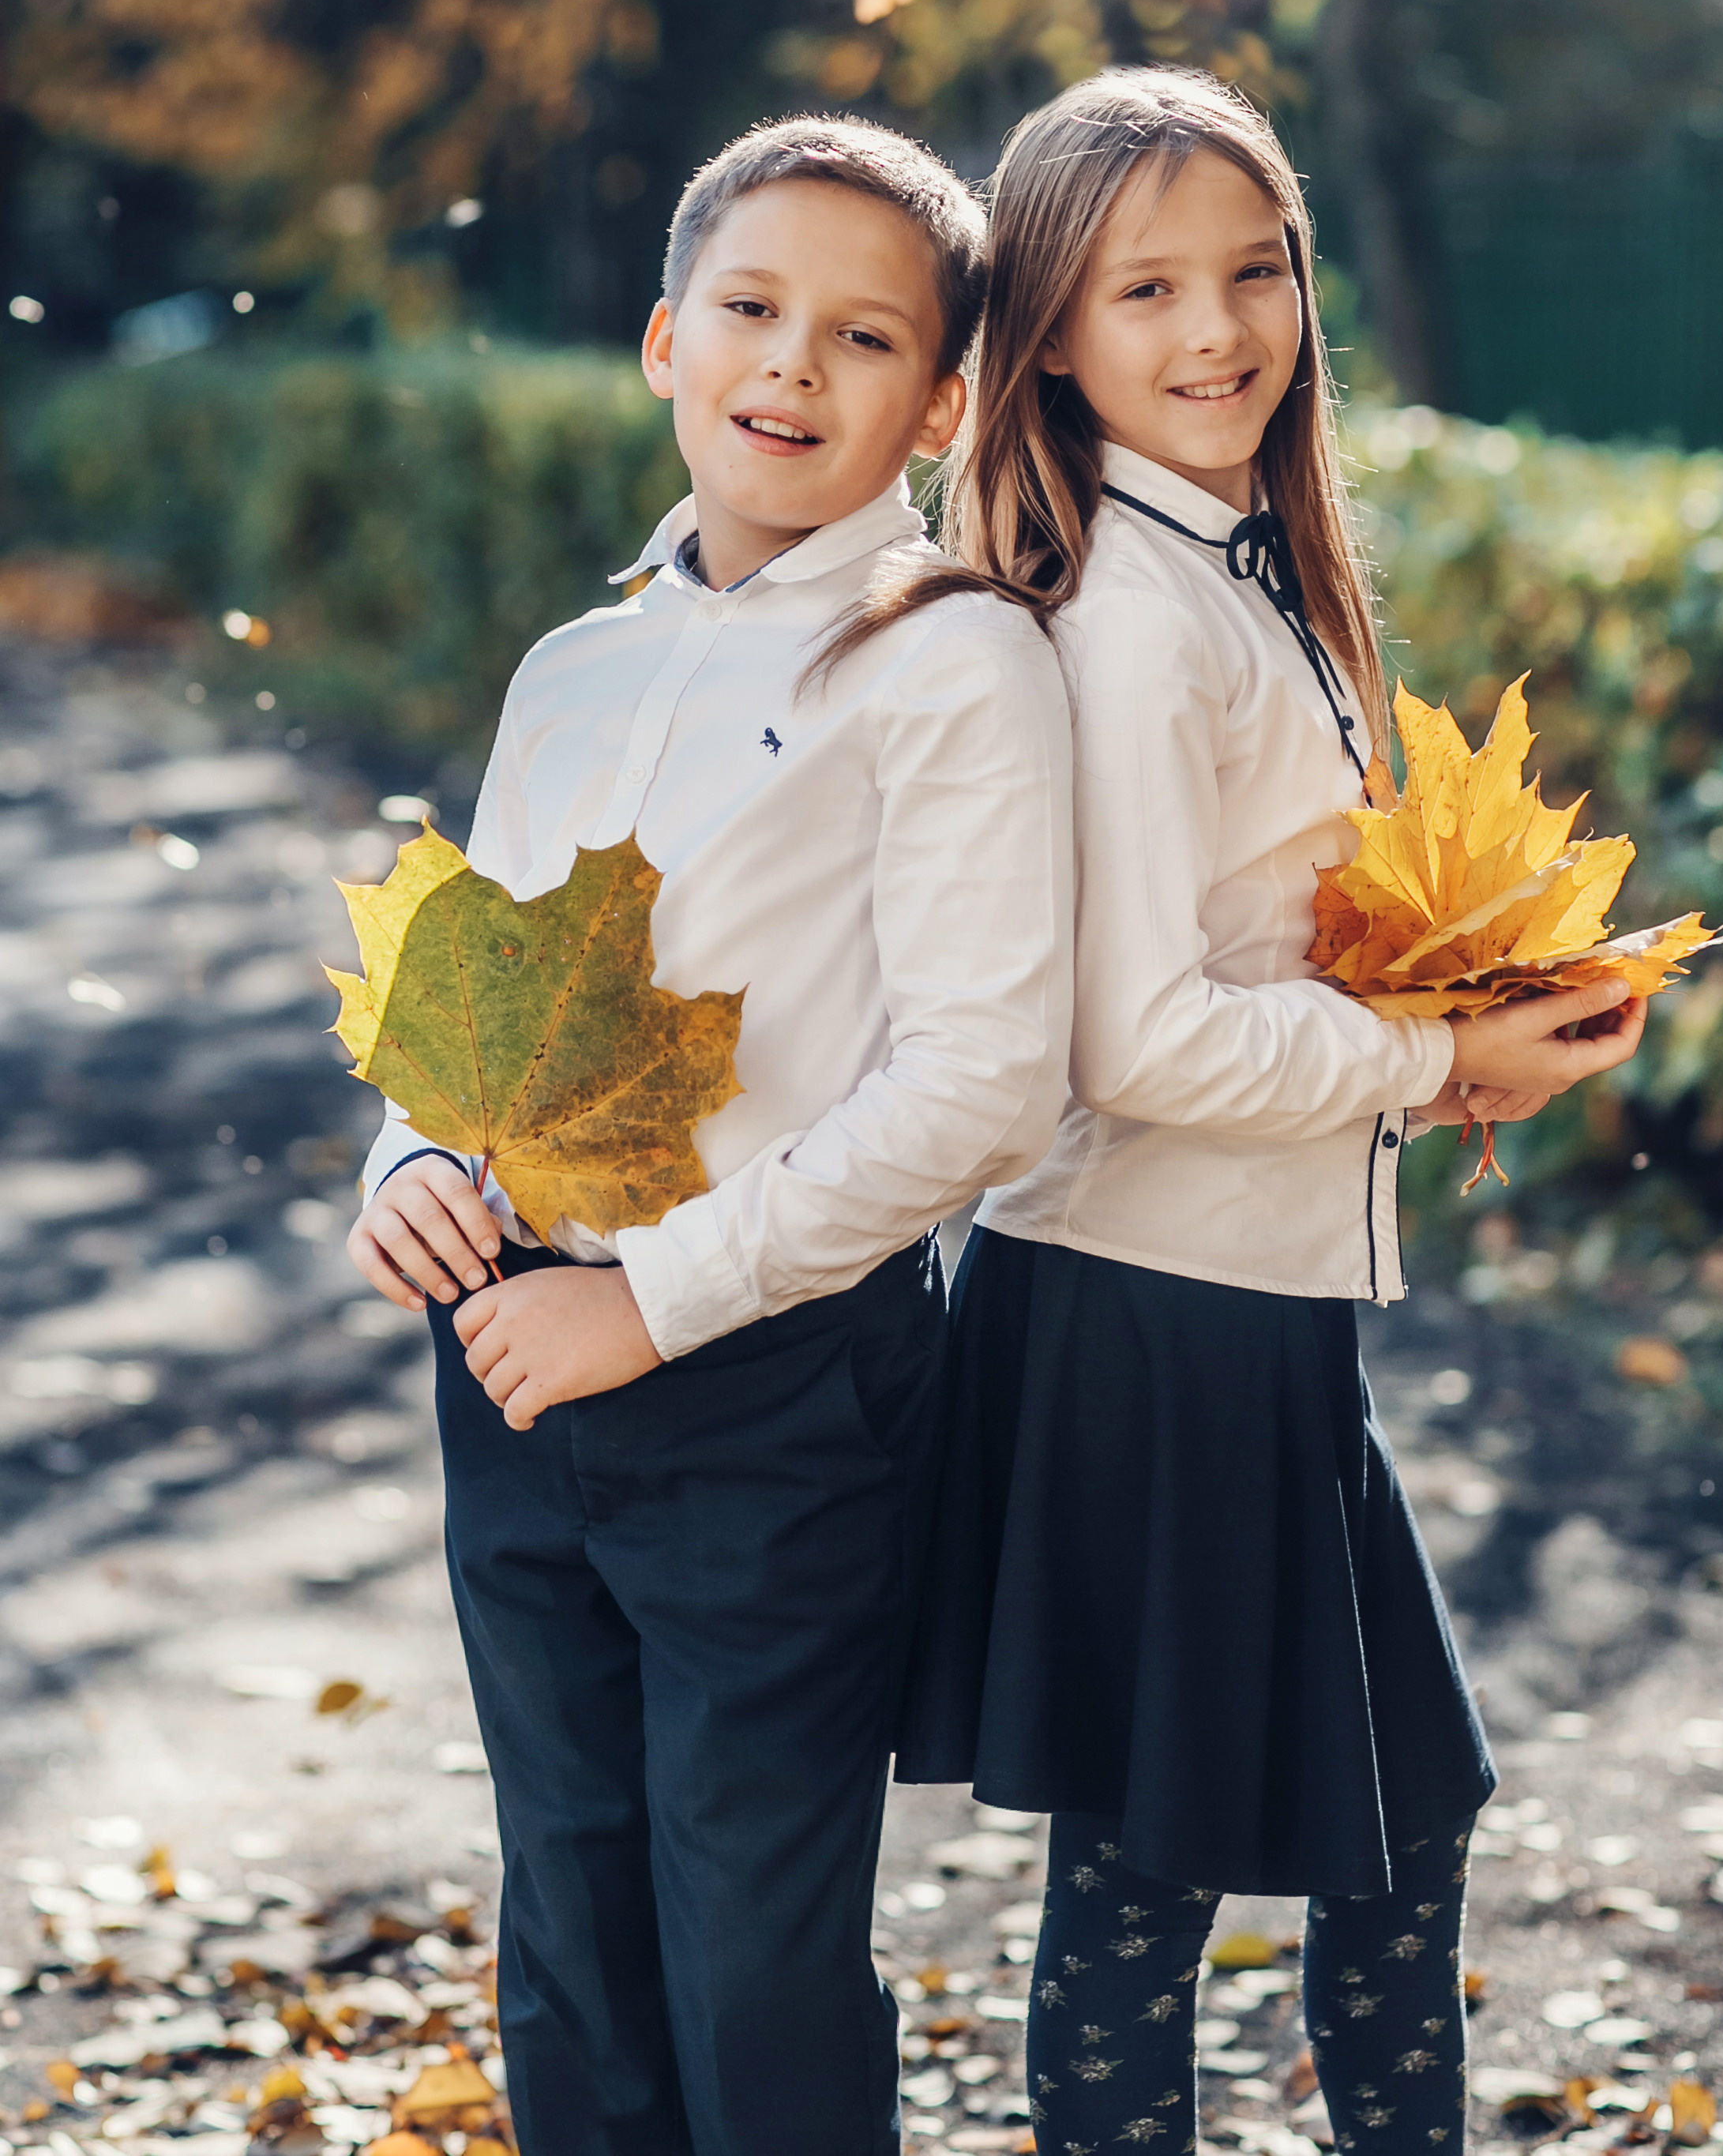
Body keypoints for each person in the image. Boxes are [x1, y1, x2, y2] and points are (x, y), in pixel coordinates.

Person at [894, 68, 1648, 2156]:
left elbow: (1252, 953)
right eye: (1146, 290)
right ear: (1044, 330)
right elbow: (1132, 1042)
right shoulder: (1138, 621)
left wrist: (1472, 997)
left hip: (1232, 1312)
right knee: (1163, 1885)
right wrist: (1441, 1063)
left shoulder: (1232, 569)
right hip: (1147, 1321)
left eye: (1255, 273)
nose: (1217, 331)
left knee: (1393, 1832)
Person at [340, 116, 1075, 2156]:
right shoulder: (575, 668)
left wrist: (649, 1309)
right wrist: (403, 1163)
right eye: (752, 311)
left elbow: (981, 1086)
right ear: (666, 339)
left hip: (767, 1380)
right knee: (570, 1913)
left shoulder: (949, 663)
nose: (791, 366)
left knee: (746, 1931)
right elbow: (458, 1010)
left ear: (938, 404)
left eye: (862, 339)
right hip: (507, 1354)